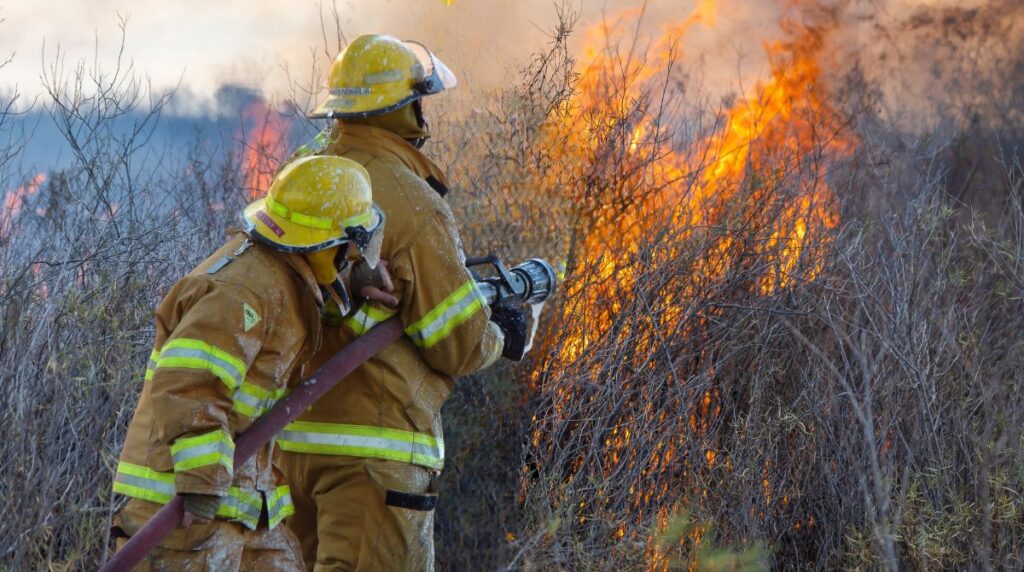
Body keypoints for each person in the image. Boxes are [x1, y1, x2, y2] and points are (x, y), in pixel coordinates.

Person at [277, 34, 530, 571]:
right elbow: (457, 341)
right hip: (374, 456)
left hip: (286, 447)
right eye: (418, 100)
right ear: (401, 109)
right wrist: (502, 335)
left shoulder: (302, 174)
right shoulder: (409, 198)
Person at [110, 155, 385, 570]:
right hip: (181, 509)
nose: (353, 254)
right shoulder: (245, 291)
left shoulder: (282, 276)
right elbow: (188, 382)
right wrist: (202, 479)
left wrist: (353, 281)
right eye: (349, 245)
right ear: (323, 241)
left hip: (244, 505)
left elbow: (301, 317)